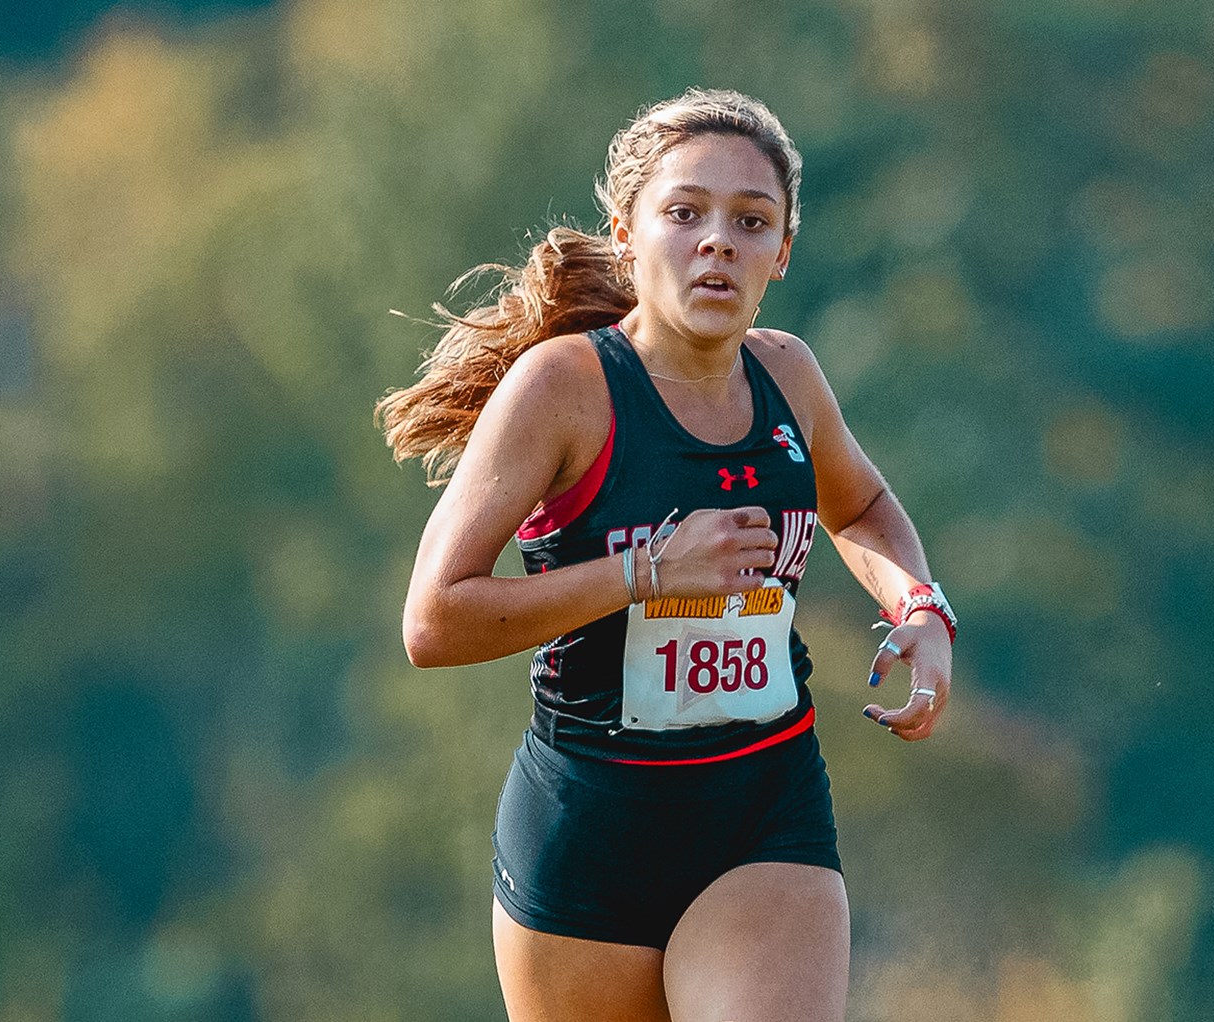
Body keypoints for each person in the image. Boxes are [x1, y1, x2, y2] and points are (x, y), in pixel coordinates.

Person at [383, 89, 957, 1021]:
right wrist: (647, 571)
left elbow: (863, 506)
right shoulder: (564, 390)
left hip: (763, 811)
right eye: (685, 212)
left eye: (750, 221)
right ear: (627, 232)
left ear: (781, 254)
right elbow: (433, 620)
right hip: (590, 833)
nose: (717, 241)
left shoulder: (789, 377)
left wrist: (922, 611)